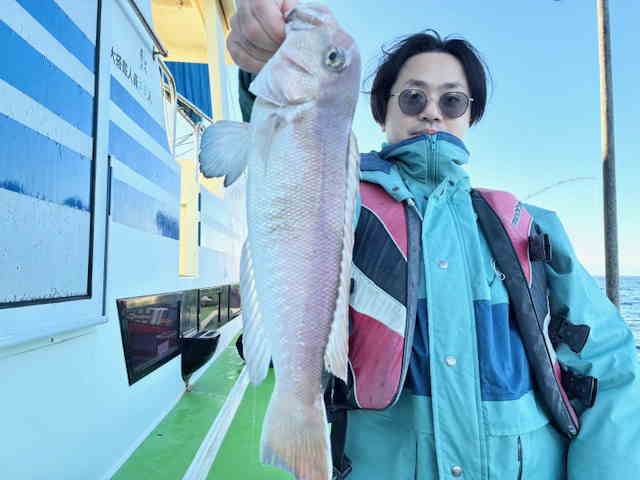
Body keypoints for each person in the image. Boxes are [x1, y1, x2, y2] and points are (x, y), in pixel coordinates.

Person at [226, 1, 640, 479]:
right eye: (412, 98)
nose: (431, 113)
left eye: (452, 101)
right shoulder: (344, 202)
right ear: (381, 112)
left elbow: (610, 365)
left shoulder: (530, 225)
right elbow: (292, 160)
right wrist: (266, 63)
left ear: (470, 116)